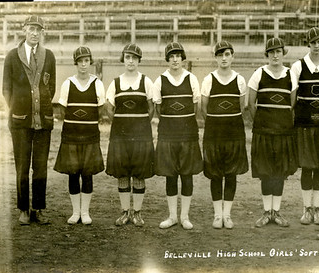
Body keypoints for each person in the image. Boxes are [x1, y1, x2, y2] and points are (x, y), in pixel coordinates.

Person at [2, 15, 56, 225]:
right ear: (24, 30)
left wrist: (40, 108)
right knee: (22, 166)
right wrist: (19, 108)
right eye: (31, 29)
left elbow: (50, 87)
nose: (35, 33)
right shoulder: (12, 56)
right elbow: (6, 89)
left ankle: (38, 209)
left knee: (40, 167)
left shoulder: (48, 56)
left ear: (42, 32)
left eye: (38, 29)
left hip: (43, 121)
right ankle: (24, 208)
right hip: (20, 121)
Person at [248, 37, 299, 228]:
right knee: (265, 172)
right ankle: (265, 211)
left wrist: (280, 122)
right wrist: (263, 123)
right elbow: (251, 105)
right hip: (264, 132)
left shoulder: (290, 74)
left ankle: (276, 212)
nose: (275, 55)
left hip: (283, 132)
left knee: (279, 172)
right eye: (271, 52)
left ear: (282, 53)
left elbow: (291, 104)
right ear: (267, 55)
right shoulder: (258, 74)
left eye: (278, 52)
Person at [152, 42, 203, 230]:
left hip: (188, 134)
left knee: (187, 175)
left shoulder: (191, 79)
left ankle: (185, 216)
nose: (175, 60)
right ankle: (172, 216)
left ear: (183, 58)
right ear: (167, 59)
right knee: (171, 176)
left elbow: (195, 107)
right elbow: (158, 109)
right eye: (171, 56)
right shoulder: (160, 81)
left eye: (178, 56)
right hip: (168, 134)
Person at [290, 27, 319, 225]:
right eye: (313, 42)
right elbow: (292, 99)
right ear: (307, 43)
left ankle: (317, 209)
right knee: (306, 168)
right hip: (304, 124)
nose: (316, 45)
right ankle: (306, 209)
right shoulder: (298, 67)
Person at [105, 43, 156, 227]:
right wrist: (122, 123)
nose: (131, 61)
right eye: (128, 57)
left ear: (139, 60)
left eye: (134, 58)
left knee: (139, 173)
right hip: (120, 135)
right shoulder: (115, 82)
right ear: (123, 59)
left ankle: (137, 213)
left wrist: (140, 123)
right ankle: (125, 212)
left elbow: (151, 108)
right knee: (123, 173)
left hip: (141, 136)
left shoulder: (146, 81)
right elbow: (109, 108)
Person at [200, 41, 249, 229]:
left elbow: (241, 106)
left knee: (231, 174)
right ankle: (217, 214)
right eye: (220, 55)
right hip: (214, 133)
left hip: (234, 133)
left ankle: (227, 215)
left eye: (227, 54)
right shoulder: (209, 80)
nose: (224, 58)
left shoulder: (240, 79)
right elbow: (203, 108)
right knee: (215, 174)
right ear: (215, 58)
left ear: (232, 57)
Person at [54, 46, 105, 225]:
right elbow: (61, 110)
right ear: (75, 63)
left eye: (86, 61)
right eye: (80, 61)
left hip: (90, 135)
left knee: (88, 174)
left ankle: (85, 212)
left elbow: (100, 110)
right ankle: (75, 212)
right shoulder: (68, 83)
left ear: (90, 62)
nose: (83, 65)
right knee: (73, 174)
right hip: (71, 136)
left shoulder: (97, 83)